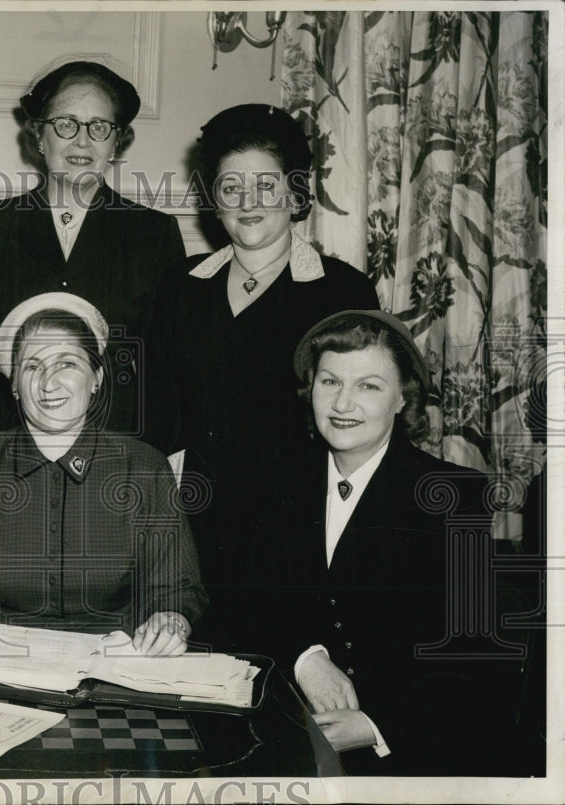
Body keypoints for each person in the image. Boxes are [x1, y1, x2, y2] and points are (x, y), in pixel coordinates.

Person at [144, 104, 380, 649]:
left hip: (298, 525)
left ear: (295, 194)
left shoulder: (341, 291)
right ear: (214, 200)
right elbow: (159, 411)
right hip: (196, 521)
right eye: (231, 187)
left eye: (265, 185)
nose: (247, 202)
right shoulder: (181, 285)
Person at [281, 309, 518, 775]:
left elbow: (472, 653)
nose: (342, 403)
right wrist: (306, 658)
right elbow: (246, 601)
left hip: (410, 748)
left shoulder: (455, 496)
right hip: (287, 728)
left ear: (402, 398)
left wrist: (374, 725)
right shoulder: (276, 482)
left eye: (368, 386)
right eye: (330, 382)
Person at [0, 293, 207, 663]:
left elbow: (178, 586)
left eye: (67, 363)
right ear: (13, 384)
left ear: (96, 378)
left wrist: (171, 620)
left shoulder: (146, 469)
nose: (48, 384)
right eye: (32, 367)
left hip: (115, 668)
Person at [0, 59, 186, 441]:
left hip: (115, 446)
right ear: (39, 135)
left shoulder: (154, 233)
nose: (82, 141)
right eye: (66, 124)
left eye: (99, 127)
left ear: (116, 143)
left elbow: (167, 368)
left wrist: (155, 458)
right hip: (6, 443)